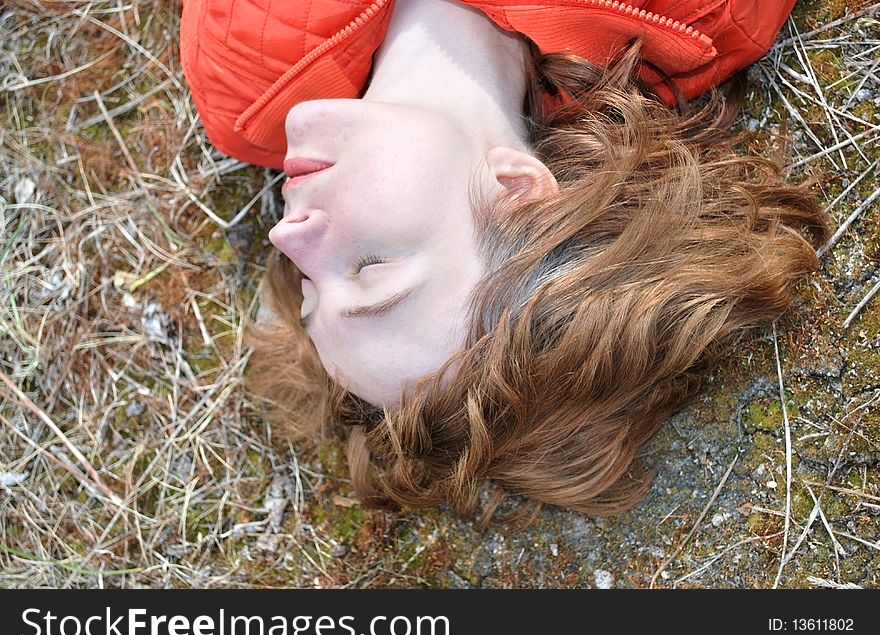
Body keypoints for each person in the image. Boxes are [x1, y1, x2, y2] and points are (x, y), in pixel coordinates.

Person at [180, 0, 831, 522]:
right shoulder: (700, 15)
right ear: (516, 191)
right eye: (371, 266)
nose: (288, 237)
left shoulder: (242, 88)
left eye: (310, 290)